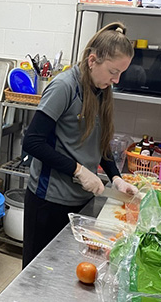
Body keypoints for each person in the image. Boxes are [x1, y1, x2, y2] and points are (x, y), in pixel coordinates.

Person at [20, 21, 139, 267]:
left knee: (64, 271)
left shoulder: (101, 88)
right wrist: (78, 170)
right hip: (48, 201)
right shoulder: (64, 87)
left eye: (121, 73)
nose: (116, 80)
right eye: (113, 72)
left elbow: (99, 140)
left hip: (80, 202)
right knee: (37, 275)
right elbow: (32, 142)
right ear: (92, 60)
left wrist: (116, 178)